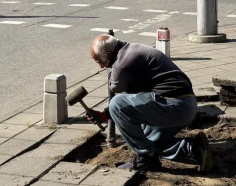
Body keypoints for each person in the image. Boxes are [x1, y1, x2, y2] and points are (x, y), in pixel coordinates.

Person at [86, 34, 211, 173]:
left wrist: (110, 66)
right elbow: (136, 98)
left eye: (99, 61)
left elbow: (116, 89)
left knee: (116, 104)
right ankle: (194, 149)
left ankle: (145, 159)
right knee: (147, 141)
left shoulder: (121, 62)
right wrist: (105, 115)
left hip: (172, 106)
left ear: (109, 54)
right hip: (185, 105)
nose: (101, 65)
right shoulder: (134, 49)